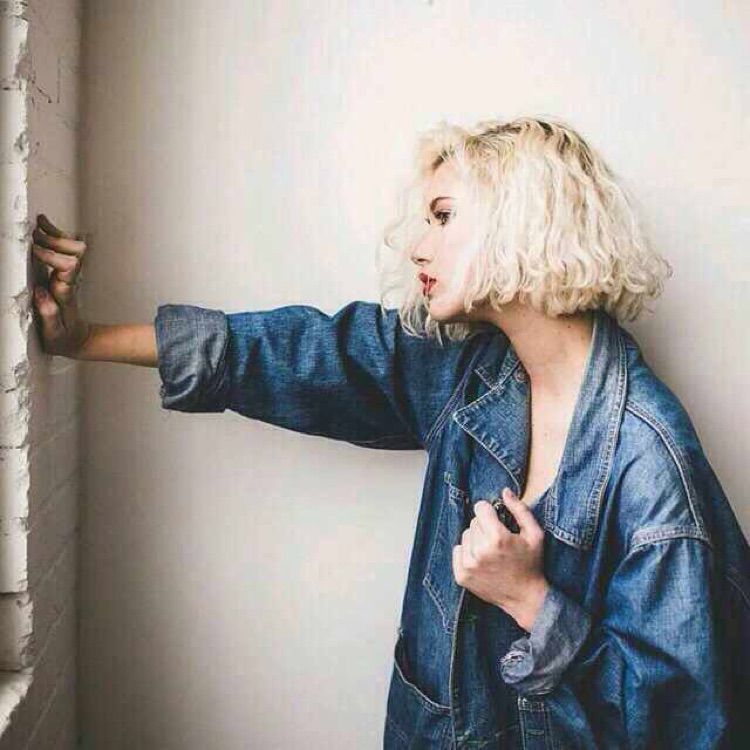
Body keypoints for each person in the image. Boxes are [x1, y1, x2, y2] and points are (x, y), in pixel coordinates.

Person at [31, 116, 750, 748]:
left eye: (443, 216)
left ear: (525, 220)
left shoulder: (651, 463)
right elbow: (301, 355)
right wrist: (81, 338)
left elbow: (683, 723)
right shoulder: (474, 371)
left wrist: (528, 598)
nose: (417, 248)